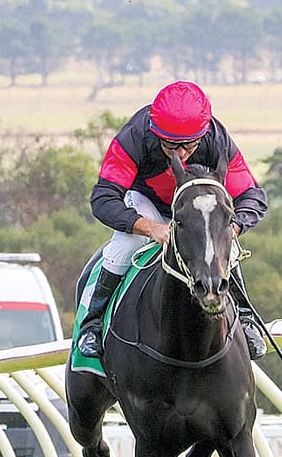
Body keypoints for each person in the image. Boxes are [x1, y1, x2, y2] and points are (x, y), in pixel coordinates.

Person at [74, 80, 270, 360]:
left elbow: (252, 196)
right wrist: (150, 227)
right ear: (155, 132)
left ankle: (248, 321)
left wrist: (231, 228)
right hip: (147, 203)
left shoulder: (217, 140)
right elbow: (104, 198)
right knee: (125, 246)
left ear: (202, 134)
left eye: (188, 145)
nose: (180, 152)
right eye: (171, 145)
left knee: (228, 250)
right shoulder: (134, 137)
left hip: (197, 210)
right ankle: (91, 326)